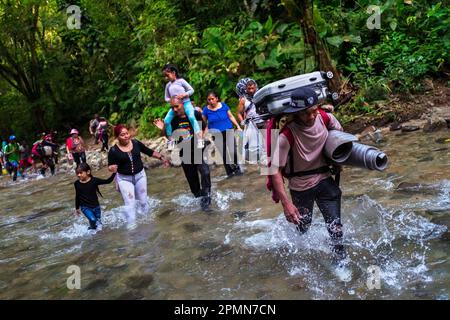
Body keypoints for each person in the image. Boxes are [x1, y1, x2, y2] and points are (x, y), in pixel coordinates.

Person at [269, 87, 346, 262]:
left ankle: (341, 263)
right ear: (295, 114)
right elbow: (274, 171)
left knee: (336, 229)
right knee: (303, 228)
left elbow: (341, 139)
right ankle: (299, 258)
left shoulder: (326, 118)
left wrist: (338, 162)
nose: (311, 117)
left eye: (314, 111)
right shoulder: (286, 136)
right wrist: (286, 204)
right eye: (305, 114)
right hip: (301, 187)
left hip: (326, 180)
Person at [154, 97, 212, 211]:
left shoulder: (194, 114)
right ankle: (200, 200)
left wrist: (203, 139)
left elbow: (204, 127)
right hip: (184, 152)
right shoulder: (173, 120)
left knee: (205, 172)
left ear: (183, 105)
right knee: (193, 182)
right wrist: (163, 128)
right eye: (172, 107)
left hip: (198, 150)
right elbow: (169, 136)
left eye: (177, 106)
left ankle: (207, 199)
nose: (175, 109)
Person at [108, 124, 169, 229]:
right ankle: (132, 225)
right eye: (122, 135)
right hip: (124, 179)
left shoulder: (135, 143)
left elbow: (148, 151)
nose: (126, 136)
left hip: (140, 176)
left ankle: (147, 222)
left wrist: (161, 157)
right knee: (130, 203)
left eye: (127, 133)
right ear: (117, 137)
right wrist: (112, 170)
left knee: (144, 202)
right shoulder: (113, 151)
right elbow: (110, 167)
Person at [162, 64, 204, 149]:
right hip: (175, 106)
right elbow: (166, 98)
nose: (166, 78)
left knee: (192, 117)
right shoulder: (168, 85)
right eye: (165, 76)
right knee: (166, 121)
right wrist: (171, 100)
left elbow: (191, 90)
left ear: (173, 73)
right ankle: (171, 140)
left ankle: (200, 139)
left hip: (186, 103)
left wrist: (184, 95)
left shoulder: (181, 81)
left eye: (167, 75)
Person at [202, 91, 243, 178]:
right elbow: (204, 123)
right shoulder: (206, 110)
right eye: (209, 99)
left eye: (212, 99)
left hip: (228, 130)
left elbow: (231, 116)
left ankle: (237, 169)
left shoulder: (223, 105)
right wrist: (203, 135)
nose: (211, 101)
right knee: (224, 154)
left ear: (217, 99)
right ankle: (230, 173)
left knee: (233, 151)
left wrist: (238, 126)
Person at [74, 163, 116, 231]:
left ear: (88, 172)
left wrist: (114, 173)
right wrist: (77, 208)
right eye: (77, 173)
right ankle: (90, 230)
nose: (78, 175)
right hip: (85, 207)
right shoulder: (77, 183)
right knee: (93, 220)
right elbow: (77, 195)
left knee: (99, 224)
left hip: (96, 207)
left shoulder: (94, 180)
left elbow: (108, 181)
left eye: (81, 173)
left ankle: (95, 236)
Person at [236, 78, 267, 164]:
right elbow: (238, 113)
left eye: (252, 88)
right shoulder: (243, 100)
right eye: (249, 89)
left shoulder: (260, 96)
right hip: (251, 124)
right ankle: (258, 160)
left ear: (255, 87)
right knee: (253, 145)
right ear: (245, 89)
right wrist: (242, 122)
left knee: (266, 141)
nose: (251, 90)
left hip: (263, 121)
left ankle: (266, 160)